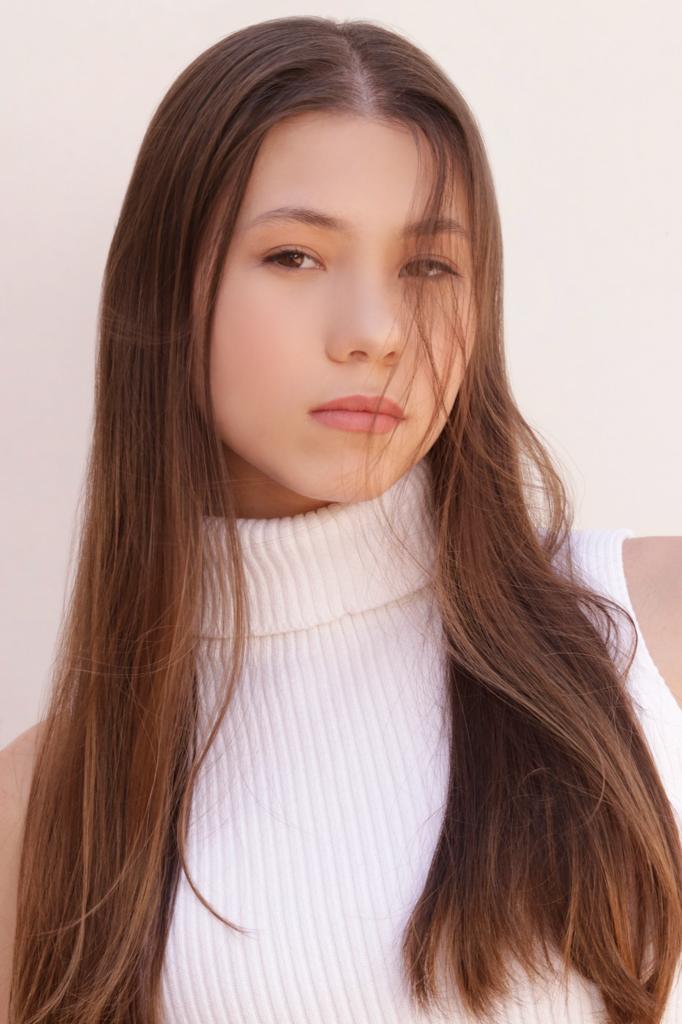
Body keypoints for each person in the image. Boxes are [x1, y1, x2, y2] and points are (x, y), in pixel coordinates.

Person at [2, 15, 681, 1024]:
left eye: (428, 267)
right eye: (294, 256)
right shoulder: (50, 806)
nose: (376, 332)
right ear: (168, 294)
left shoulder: (646, 632)